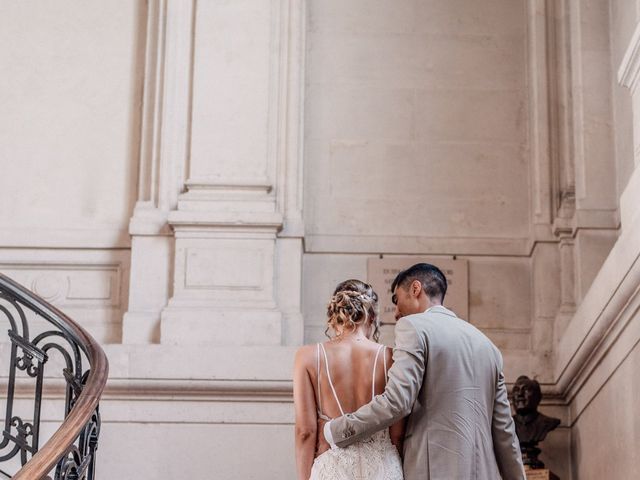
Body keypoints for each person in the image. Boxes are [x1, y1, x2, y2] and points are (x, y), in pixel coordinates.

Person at [322, 263, 526, 480]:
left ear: (415, 289)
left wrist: (335, 430)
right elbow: (505, 434)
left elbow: (397, 402)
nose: (397, 312)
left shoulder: (414, 327)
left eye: (396, 300)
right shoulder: (488, 347)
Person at [293, 279, 404, 480]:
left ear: (334, 317)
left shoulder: (308, 356)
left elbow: (305, 431)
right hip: (382, 468)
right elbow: (397, 434)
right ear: (372, 316)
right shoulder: (391, 357)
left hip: (334, 468)